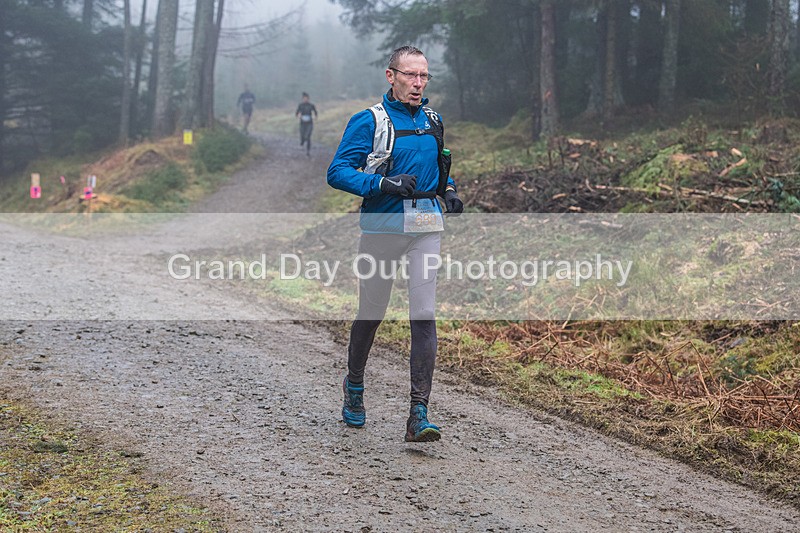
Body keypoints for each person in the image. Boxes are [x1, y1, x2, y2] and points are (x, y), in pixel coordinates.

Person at [327, 45, 464, 442]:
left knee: (423, 314)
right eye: (410, 75)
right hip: (382, 228)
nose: (418, 84)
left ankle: (418, 414)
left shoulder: (434, 120)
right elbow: (337, 172)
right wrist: (382, 183)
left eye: (424, 76)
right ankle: (354, 387)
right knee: (372, 312)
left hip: (426, 227)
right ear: (391, 76)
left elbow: (439, 169)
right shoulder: (369, 120)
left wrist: (449, 191)